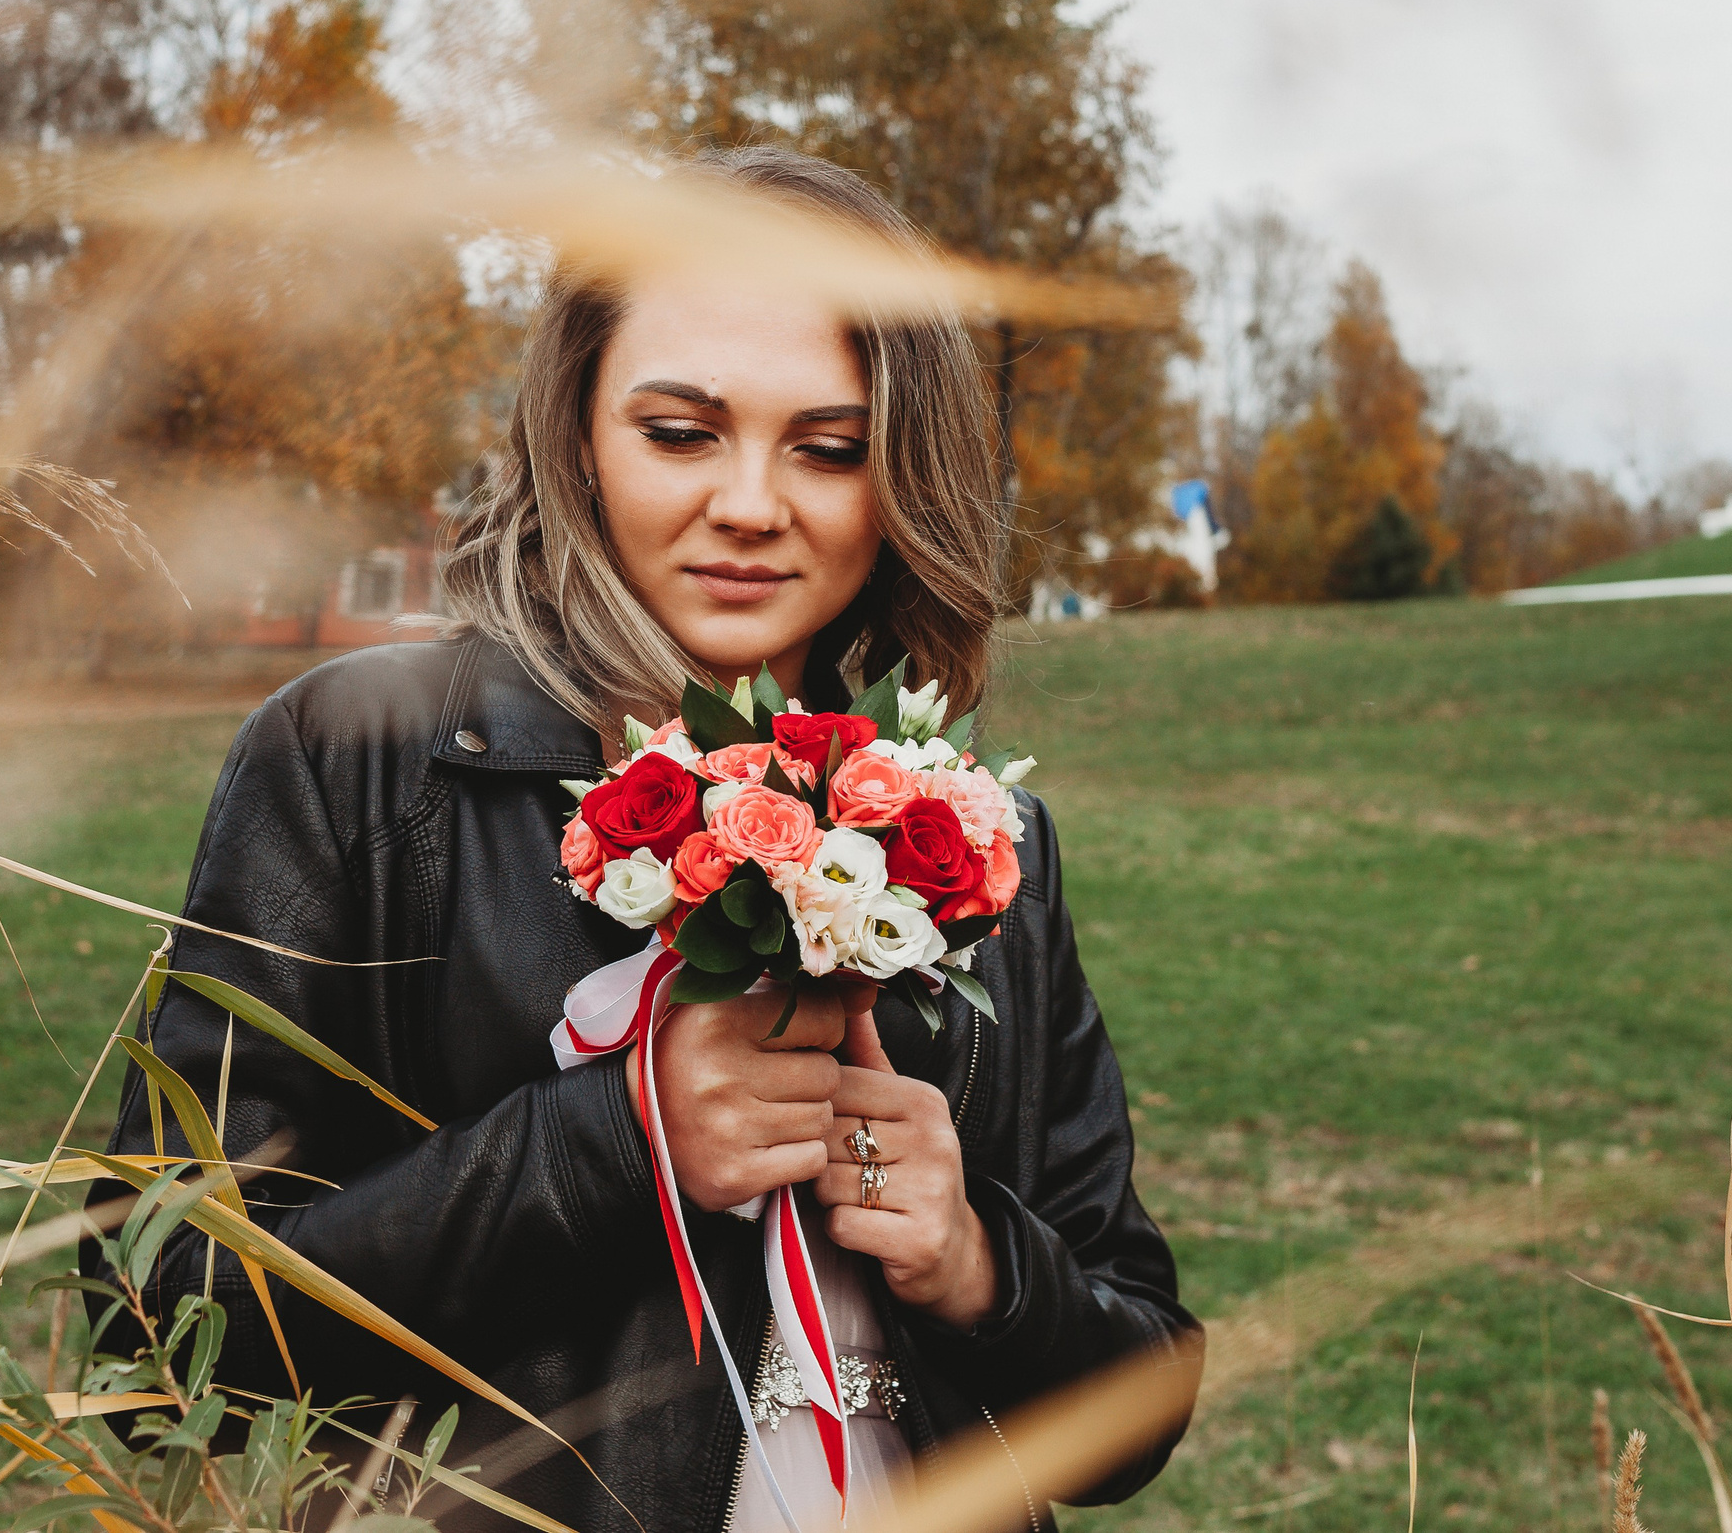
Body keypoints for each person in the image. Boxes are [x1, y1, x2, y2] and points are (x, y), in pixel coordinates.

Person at [89, 146, 1196, 1532]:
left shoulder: (983, 839)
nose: (750, 502)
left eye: (831, 446)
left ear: (899, 470)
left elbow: (1139, 1398)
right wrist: (616, 1139)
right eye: (681, 431)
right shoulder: (361, 765)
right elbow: (158, 1335)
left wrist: (978, 1258)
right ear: (580, 432)